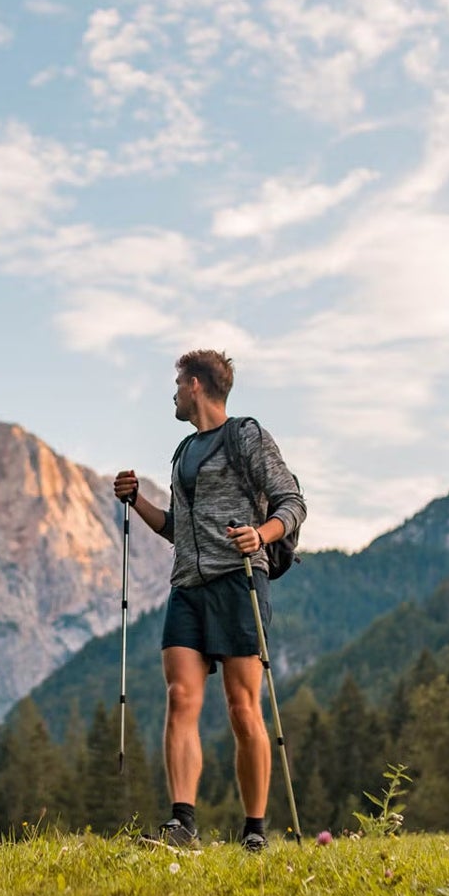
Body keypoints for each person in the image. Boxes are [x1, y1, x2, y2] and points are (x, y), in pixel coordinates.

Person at [114, 349, 306, 852]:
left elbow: (292, 503)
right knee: (180, 698)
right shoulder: (182, 453)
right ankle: (182, 825)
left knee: (243, 708)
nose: (173, 393)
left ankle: (256, 831)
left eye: (178, 383)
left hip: (238, 582)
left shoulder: (247, 437)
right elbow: (179, 530)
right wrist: (137, 502)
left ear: (196, 384)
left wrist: (261, 536)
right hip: (188, 588)